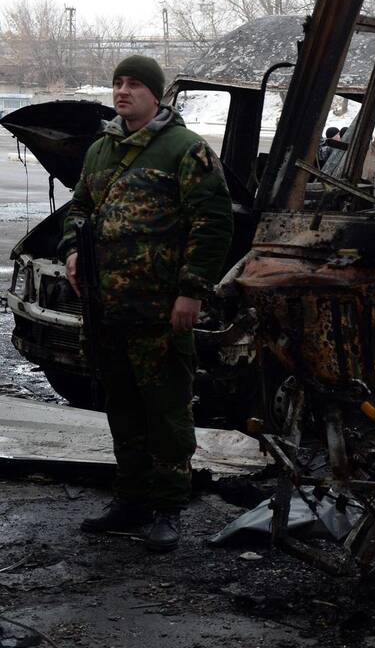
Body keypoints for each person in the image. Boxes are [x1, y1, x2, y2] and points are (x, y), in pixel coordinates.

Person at [59, 55, 233, 552]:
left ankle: (168, 508)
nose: (123, 91)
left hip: (160, 309)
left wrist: (191, 291)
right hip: (107, 308)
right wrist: (72, 250)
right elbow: (80, 208)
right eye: (118, 83)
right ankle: (131, 500)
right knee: (122, 406)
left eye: (134, 84)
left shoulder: (185, 150)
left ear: (156, 94)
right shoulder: (100, 150)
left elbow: (213, 223)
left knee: (167, 409)